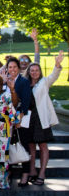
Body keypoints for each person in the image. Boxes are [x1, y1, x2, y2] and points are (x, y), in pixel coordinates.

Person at [24, 51, 64, 186]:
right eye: (32, 70)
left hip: (41, 119)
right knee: (30, 147)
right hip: (28, 119)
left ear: (40, 72)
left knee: (42, 146)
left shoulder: (44, 82)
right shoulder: (25, 84)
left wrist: (57, 65)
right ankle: (32, 171)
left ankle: (42, 173)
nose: (34, 72)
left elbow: (54, 75)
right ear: (28, 72)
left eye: (37, 70)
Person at [1, 57, 32, 186]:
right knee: (8, 147)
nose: (12, 70)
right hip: (5, 119)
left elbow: (26, 101)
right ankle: (10, 173)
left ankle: (25, 174)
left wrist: (19, 118)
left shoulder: (23, 82)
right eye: (10, 67)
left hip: (20, 119)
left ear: (18, 68)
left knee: (23, 145)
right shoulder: (3, 82)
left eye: (14, 67)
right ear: (6, 69)